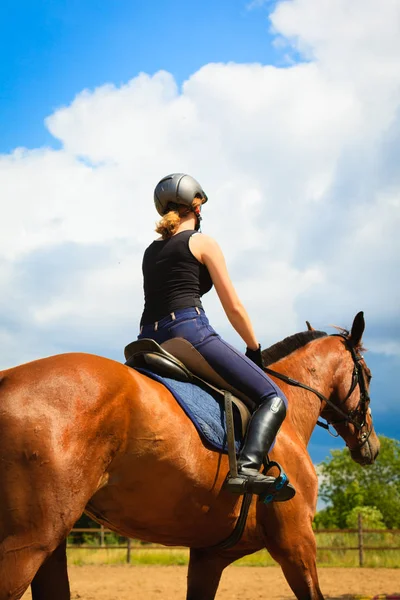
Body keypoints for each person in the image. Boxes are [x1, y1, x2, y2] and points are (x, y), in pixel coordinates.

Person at [138, 173, 295, 502]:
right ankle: (248, 469)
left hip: (149, 339)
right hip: (188, 331)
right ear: (196, 206)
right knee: (273, 398)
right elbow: (234, 308)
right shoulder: (202, 242)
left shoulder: (151, 251)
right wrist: (253, 348)